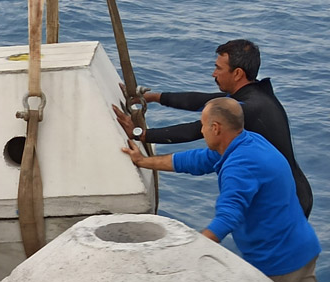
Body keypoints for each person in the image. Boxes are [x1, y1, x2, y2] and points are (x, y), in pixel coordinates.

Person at [122, 98, 322, 282]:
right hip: (304, 248)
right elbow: (196, 160)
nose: (201, 129)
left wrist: (188, 251)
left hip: (277, 262)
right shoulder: (249, 142)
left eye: (203, 125)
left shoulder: (240, 166)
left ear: (215, 128)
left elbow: (228, 217)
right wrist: (144, 162)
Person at [113, 39, 312, 217]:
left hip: (287, 199)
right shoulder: (251, 93)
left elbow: (195, 129)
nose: (213, 73)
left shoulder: (248, 107)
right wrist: (154, 97)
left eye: (218, 68)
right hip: (288, 188)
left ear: (237, 73)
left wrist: (138, 133)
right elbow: (199, 100)